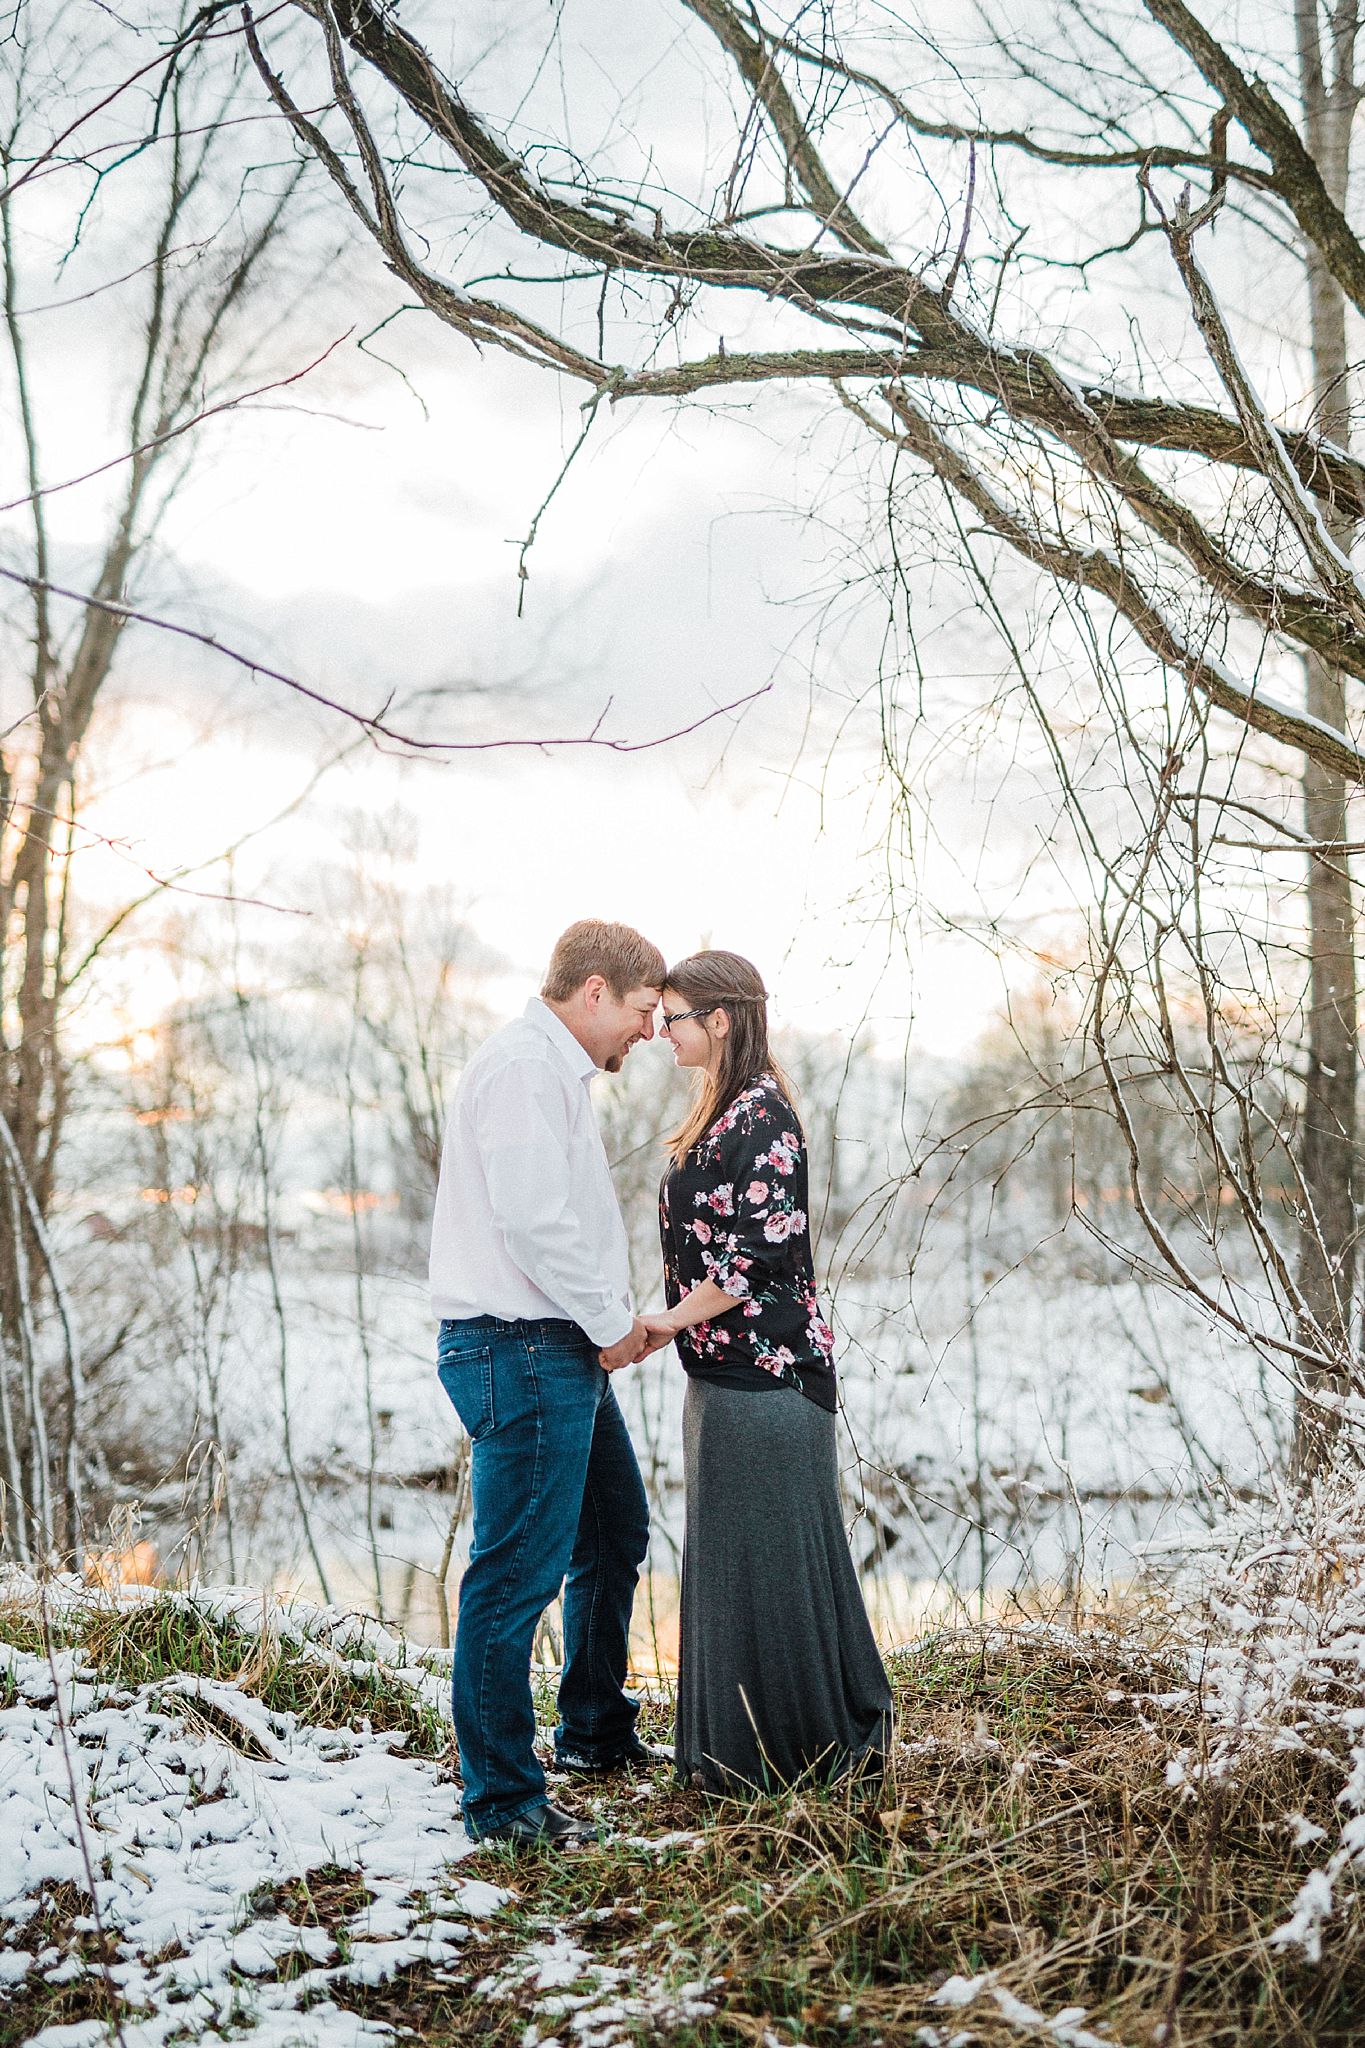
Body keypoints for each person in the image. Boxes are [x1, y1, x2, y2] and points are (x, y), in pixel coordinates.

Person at [430, 919, 665, 1845]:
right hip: (520, 1348)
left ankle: (594, 1735)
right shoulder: (527, 1069)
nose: (650, 1032)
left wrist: (606, 1320)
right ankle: (503, 1803)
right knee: (514, 1576)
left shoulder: (551, 1072)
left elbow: (553, 1223)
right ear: (596, 990)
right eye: (645, 1010)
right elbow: (533, 1226)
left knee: (612, 1532)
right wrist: (611, 1326)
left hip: (549, 1345)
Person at [638, 950, 892, 1794]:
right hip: (720, 1375)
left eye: (672, 1017)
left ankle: (798, 1758)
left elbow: (753, 1258)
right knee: (731, 1570)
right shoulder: (721, 1111)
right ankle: (733, 1756)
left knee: (771, 1573)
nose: (661, 1033)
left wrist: (670, 1318)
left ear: (719, 1019)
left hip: (769, 1381)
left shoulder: (764, 1118)